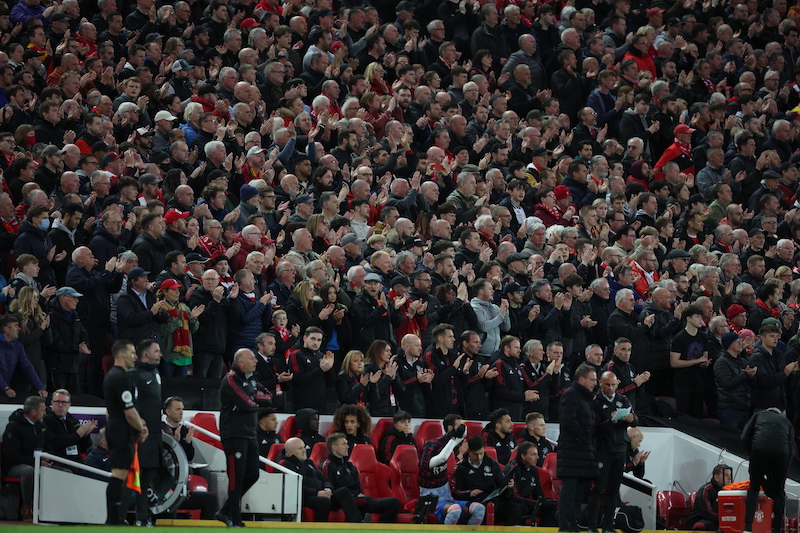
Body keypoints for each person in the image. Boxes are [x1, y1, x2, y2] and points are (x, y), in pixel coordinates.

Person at [216, 348, 272, 527]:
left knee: (253, 474)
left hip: (249, 434)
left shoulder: (252, 379)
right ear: (241, 362)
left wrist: (252, 398)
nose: (256, 361)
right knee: (236, 477)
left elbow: (269, 397)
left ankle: (224, 511)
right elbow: (245, 403)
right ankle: (234, 518)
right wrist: (254, 400)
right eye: (252, 359)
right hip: (234, 434)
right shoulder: (231, 379)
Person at [585, 371, 637, 533]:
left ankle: (608, 526)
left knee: (613, 491)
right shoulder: (594, 402)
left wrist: (631, 419)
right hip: (602, 451)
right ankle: (592, 526)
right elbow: (592, 426)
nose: (610, 388)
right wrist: (610, 421)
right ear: (600, 383)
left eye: (613, 385)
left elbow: (636, 418)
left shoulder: (622, 399)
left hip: (620, 450)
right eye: (607, 384)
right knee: (597, 489)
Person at [103, 340, 148, 526]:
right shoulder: (121, 377)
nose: (135, 357)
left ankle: (114, 518)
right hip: (122, 429)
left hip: (117, 426)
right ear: (122, 354)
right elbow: (129, 411)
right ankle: (114, 519)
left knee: (119, 473)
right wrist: (141, 428)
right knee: (118, 474)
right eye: (132, 353)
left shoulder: (112, 376)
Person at [418, 413, 485, 525]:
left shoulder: (457, 445)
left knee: (479, 509)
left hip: (448, 497)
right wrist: (453, 439)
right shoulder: (431, 444)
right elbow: (438, 460)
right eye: (459, 426)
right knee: (455, 510)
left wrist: (459, 438)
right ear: (450, 428)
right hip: (429, 500)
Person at [320, 432, 401, 522]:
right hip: (339, 500)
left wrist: (360, 494)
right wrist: (354, 495)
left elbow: (359, 486)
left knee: (394, 502)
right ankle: (358, 524)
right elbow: (329, 487)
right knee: (345, 491)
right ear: (334, 447)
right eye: (344, 444)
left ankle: (379, 529)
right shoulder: (328, 465)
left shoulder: (350, 466)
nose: (348, 446)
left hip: (358, 499)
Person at [557, 363, 599, 532]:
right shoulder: (571, 394)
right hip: (572, 452)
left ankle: (573, 525)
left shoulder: (585, 397)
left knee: (578, 493)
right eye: (592, 379)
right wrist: (583, 439)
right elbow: (568, 421)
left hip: (582, 453)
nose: (595, 383)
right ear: (581, 379)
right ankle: (565, 527)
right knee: (569, 493)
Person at [280, 436, 362, 522]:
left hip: (322, 494)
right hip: (304, 498)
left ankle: (358, 524)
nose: (304, 450)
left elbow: (324, 479)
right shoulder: (285, 465)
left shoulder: (309, 462)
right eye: (300, 449)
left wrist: (328, 488)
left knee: (343, 491)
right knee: (323, 501)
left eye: (304, 447)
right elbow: (294, 487)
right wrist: (317, 493)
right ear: (290, 453)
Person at [127, 339, 163, 526]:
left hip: (154, 435)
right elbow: (127, 403)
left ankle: (142, 518)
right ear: (146, 354)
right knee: (133, 477)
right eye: (157, 351)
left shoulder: (156, 373)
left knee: (147, 478)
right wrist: (138, 422)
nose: (160, 354)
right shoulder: (133, 374)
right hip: (138, 436)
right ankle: (120, 516)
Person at [740, 408, 794, 533]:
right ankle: (777, 529)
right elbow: (791, 448)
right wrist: (786, 467)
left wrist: (752, 454)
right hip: (781, 454)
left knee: (754, 488)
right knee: (779, 493)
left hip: (759, 450)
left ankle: (748, 527)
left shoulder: (758, 415)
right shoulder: (787, 422)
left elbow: (743, 437)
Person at [1, 396, 51, 520]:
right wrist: (37, 462)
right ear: (33, 412)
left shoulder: (41, 426)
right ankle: (27, 506)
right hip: (13, 466)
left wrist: (48, 457)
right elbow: (12, 456)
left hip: (37, 461)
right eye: (42, 410)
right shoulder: (13, 427)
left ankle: (50, 508)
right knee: (28, 471)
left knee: (58, 470)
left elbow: (48, 445)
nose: (45, 413)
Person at [501, 440, 558, 526]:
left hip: (527, 503)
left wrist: (542, 501)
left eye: (537, 454)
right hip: (511, 504)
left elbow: (538, 492)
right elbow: (513, 497)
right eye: (533, 455)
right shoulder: (512, 469)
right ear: (523, 456)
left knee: (551, 508)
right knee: (519, 508)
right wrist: (536, 503)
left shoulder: (533, 470)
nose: (537, 457)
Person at [450, 435, 506, 519]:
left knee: (514, 506)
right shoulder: (460, 467)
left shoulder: (492, 463)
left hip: (492, 500)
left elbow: (501, 484)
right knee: (480, 509)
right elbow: (455, 492)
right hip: (472, 502)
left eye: (481, 453)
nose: (479, 457)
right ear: (469, 451)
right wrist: (470, 493)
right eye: (476, 454)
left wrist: (508, 484)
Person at [287, 326, 336, 413]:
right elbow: (299, 380)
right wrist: (321, 369)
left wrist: (330, 366)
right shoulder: (296, 355)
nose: (316, 342)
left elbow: (330, 383)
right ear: (305, 338)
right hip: (303, 405)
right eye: (313, 339)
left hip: (321, 405)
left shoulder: (321, 356)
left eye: (319, 340)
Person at [0, 314, 47, 402]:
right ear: (6, 329)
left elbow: (27, 367)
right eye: (16, 326)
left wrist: (40, 387)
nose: (19, 329)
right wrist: (5, 388)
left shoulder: (18, 345)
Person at [43, 388, 97, 461]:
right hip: (58, 461)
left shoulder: (73, 421)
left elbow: (85, 449)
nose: (60, 405)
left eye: (64, 402)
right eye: (57, 401)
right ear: (52, 403)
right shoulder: (45, 420)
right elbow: (55, 442)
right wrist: (78, 435)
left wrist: (85, 435)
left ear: (69, 405)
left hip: (76, 461)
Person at [686, 464, 732, 530]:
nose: (729, 478)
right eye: (725, 475)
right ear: (716, 477)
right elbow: (706, 513)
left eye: (730, 475)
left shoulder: (729, 490)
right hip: (699, 520)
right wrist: (725, 518)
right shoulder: (706, 490)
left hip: (716, 519)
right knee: (713, 525)